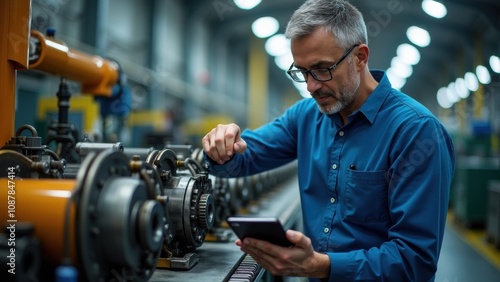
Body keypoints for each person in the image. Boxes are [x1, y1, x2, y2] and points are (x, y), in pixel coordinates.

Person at [201, 0, 455, 281]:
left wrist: (321, 266)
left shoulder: (416, 132)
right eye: (302, 71)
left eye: (322, 69)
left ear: (360, 57)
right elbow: (245, 157)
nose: (311, 86)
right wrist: (221, 146)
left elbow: (414, 261)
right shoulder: (306, 116)